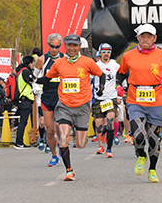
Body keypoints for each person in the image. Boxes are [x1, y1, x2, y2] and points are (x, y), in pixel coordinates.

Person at [37, 34, 105, 181]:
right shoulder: (59, 63)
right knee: (63, 137)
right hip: (64, 105)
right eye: (69, 45)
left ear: (79, 46)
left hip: (82, 106)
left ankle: (76, 132)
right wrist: (34, 79)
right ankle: (69, 170)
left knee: (81, 144)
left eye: (75, 45)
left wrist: (101, 89)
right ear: (65, 46)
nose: (72, 48)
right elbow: (46, 79)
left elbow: (101, 74)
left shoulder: (87, 62)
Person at [117, 24, 162, 183]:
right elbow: (121, 73)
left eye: (149, 36)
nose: (145, 39)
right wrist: (118, 85)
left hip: (156, 100)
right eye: (142, 36)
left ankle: (152, 169)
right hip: (134, 99)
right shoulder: (128, 55)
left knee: (153, 138)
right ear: (137, 37)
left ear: (155, 39)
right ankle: (141, 155)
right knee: (137, 136)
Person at [34, 34, 64, 166]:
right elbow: (33, 77)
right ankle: (53, 154)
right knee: (50, 129)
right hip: (47, 95)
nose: (55, 49)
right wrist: (35, 87)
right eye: (52, 46)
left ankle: (63, 149)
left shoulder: (65, 58)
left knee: (59, 126)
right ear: (48, 45)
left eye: (57, 47)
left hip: (62, 95)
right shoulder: (42, 59)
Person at [92, 43, 120, 158]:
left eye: (108, 51)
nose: (106, 54)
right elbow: (88, 80)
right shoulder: (95, 66)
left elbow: (121, 77)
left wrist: (119, 93)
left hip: (111, 97)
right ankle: (100, 146)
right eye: (103, 52)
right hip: (99, 98)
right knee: (99, 126)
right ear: (99, 53)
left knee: (109, 123)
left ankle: (109, 149)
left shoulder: (115, 65)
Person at [14, 55, 36, 149]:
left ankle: (20, 142)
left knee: (23, 121)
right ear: (30, 63)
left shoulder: (19, 72)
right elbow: (34, 79)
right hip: (25, 99)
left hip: (21, 99)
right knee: (23, 121)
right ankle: (19, 142)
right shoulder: (25, 71)